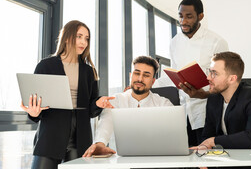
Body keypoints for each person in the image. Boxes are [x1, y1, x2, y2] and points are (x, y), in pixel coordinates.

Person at [21, 20, 114, 169]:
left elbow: (90, 110)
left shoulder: (88, 71)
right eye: (79, 36)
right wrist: (33, 112)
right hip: (51, 136)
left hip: (80, 139)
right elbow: (36, 106)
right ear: (67, 37)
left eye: (86, 38)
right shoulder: (46, 66)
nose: (83, 42)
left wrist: (98, 103)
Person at [154, 0, 228, 147]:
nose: (183, 21)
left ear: (200, 16)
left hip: (207, 112)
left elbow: (224, 82)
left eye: (189, 17)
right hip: (183, 114)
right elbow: (171, 76)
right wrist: (150, 85)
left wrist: (204, 94)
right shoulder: (175, 42)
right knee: (188, 159)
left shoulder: (217, 42)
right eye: (181, 16)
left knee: (209, 160)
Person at [183, 51, 251, 150]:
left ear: (232, 79)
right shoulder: (214, 98)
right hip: (229, 157)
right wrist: (203, 148)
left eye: (214, 74)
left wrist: (214, 141)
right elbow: (207, 136)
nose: (208, 78)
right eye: (209, 72)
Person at [83, 56, 174, 157]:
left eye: (146, 75)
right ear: (131, 75)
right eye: (137, 73)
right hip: (121, 161)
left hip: (156, 159)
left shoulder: (164, 104)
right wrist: (99, 144)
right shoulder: (115, 101)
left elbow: (172, 135)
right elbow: (105, 126)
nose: (140, 79)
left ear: (153, 82)